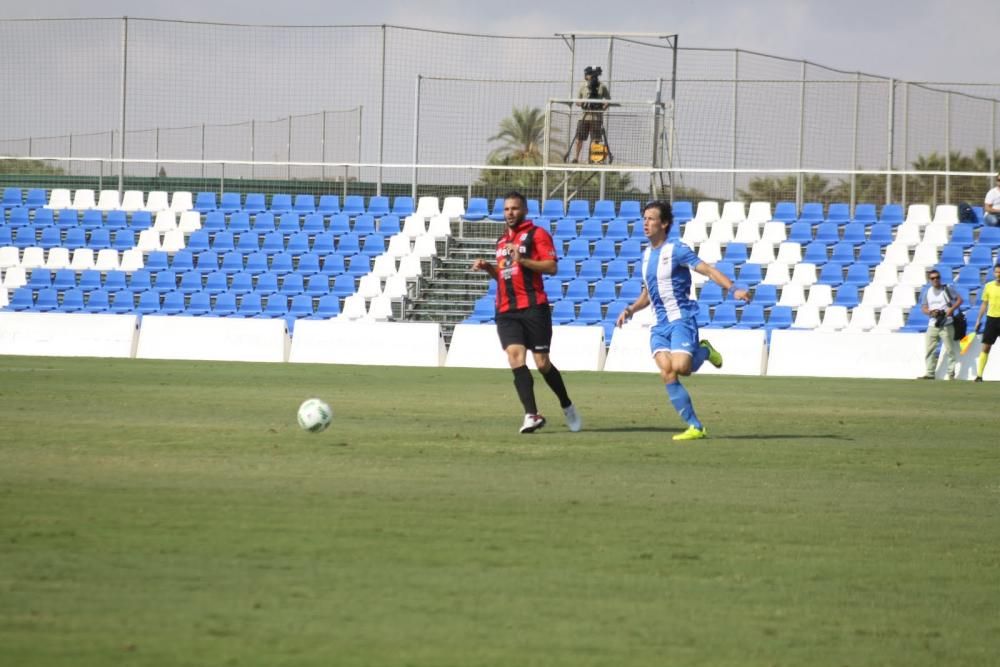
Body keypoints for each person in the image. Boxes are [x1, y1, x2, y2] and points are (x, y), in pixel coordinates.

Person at [615, 201, 750, 441]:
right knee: (667, 371)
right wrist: (631, 309)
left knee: (681, 368)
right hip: (659, 325)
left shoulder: (676, 249)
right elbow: (647, 294)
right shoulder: (646, 256)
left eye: (651, 219)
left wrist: (733, 289)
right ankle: (695, 426)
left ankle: (705, 351)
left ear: (664, 223)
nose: (645, 223)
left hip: (681, 320)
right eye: (644, 218)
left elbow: (707, 270)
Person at [471, 191, 582, 434]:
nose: (510, 213)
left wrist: (523, 260)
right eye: (506, 209)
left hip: (534, 307)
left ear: (524, 210)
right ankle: (532, 414)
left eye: (514, 208)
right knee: (514, 357)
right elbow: (504, 277)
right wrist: (489, 267)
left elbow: (551, 267)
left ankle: (567, 404)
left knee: (542, 363)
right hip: (506, 310)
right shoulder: (501, 243)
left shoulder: (537, 234)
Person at [918, 269, 962, 380]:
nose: (936, 280)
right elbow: (923, 308)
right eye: (933, 278)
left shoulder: (946, 289)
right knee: (929, 349)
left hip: (947, 323)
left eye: (937, 277)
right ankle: (930, 373)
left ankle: (951, 373)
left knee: (950, 349)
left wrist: (951, 309)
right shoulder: (927, 292)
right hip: (933, 323)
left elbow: (959, 300)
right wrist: (931, 312)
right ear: (929, 280)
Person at [570, 66, 610, 164]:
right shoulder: (583, 86)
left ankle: (592, 159)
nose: (586, 76)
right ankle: (576, 158)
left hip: (596, 117)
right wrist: (583, 103)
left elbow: (608, 100)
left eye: (588, 74)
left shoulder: (602, 86)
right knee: (579, 138)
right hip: (584, 116)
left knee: (595, 139)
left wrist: (602, 109)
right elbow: (577, 101)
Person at [972, 263, 1000, 382]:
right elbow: (984, 304)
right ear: (994, 273)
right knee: (986, 347)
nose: (998, 274)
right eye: (997, 272)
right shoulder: (988, 286)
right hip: (991, 319)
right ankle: (979, 375)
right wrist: (978, 320)